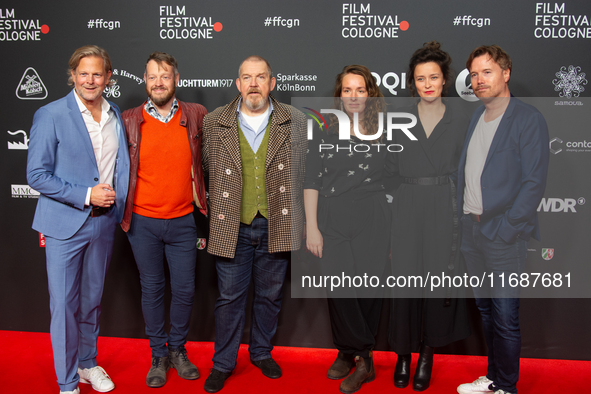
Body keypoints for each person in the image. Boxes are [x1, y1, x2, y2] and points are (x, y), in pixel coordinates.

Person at [26, 45, 130, 394]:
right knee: (65, 307)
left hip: (103, 223)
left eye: (97, 73)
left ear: (108, 77)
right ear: (73, 75)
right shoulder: (50, 114)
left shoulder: (115, 114)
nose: (90, 80)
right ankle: (67, 381)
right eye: (83, 73)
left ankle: (87, 364)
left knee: (91, 301)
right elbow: (37, 175)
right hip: (64, 225)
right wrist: (87, 194)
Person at [201, 55, 307, 393]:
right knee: (230, 297)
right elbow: (205, 169)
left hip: (277, 221)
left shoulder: (296, 120)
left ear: (272, 83)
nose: (253, 84)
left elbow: (306, 174)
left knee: (270, 295)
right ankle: (223, 363)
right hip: (231, 223)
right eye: (247, 77)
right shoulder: (215, 121)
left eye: (261, 77)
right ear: (238, 83)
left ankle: (261, 353)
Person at [456, 45, 549, 394]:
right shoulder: (476, 119)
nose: (479, 80)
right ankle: (494, 378)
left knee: (506, 317)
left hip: (502, 234)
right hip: (472, 230)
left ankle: (507, 386)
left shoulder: (526, 118)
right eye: (475, 74)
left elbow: (533, 183)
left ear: (506, 74)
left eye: (487, 72)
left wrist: (509, 229)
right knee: (486, 312)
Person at [386, 41, 470, 391]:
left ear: (445, 79)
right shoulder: (398, 117)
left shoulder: (462, 116)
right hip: (406, 203)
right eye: (420, 78)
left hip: (444, 203)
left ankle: (426, 353)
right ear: (412, 82)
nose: (428, 84)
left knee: (437, 281)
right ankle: (403, 354)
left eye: (433, 77)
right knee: (404, 282)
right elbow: (387, 169)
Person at [120, 51, 208, 388]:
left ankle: (178, 351)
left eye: (165, 75)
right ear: (145, 80)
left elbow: (210, 161)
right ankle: (158, 354)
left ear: (176, 79)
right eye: (153, 76)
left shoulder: (196, 115)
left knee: (185, 290)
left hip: (184, 221)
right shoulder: (128, 118)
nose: (159, 82)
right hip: (142, 223)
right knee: (152, 290)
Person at [304, 65, 390, 394]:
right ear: (339, 94)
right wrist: (312, 226)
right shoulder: (323, 130)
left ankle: (348, 353)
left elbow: (394, 178)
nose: (353, 96)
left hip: (373, 214)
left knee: (367, 288)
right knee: (339, 287)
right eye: (347, 90)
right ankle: (363, 356)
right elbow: (311, 180)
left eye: (360, 89)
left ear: (370, 93)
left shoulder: (385, 130)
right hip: (332, 214)